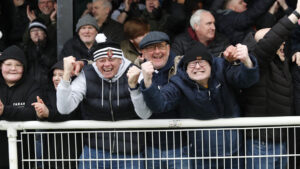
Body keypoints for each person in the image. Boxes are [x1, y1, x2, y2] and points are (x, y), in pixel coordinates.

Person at [133, 42, 259, 169]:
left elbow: (246, 80)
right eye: (192, 64)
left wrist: (247, 61)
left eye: (202, 62)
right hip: (201, 156)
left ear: (211, 64)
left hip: (235, 152)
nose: (197, 67)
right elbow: (160, 104)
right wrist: (148, 81)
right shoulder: (179, 83)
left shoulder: (222, 69)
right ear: (185, 69)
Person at [56, 35, 144, 169]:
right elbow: (64, 108)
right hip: (94, 152)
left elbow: (145, 113)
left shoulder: (135, 72)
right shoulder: (87, 74)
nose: (107, 64)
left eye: (112, 59)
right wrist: (66, 75)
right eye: (101, 60)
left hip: (130, 153)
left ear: (121, 60)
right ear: (95, 62)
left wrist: (134, 87)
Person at [241, 2, 300, 168]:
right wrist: (295, 14)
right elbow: (269, 44)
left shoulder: (284, 65)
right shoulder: (258, 64)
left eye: (283, 42)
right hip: (262, 143)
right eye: (278, 42)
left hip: (280, 141)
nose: (282, 44)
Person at [127, 31, 189, 169]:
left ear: (169, 48)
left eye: (161, 46)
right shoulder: (135, 70)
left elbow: (205, 59)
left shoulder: (183, 66)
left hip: (182, 145)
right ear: (142, 53)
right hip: (150, 147)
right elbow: (112, 64)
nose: (157, 52)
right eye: (150, 48)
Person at [32, 60, 81, 169]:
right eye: (54, 75)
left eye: (61, 75)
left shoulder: (77, 93)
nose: (56, 78)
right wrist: (40, 114)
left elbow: (69, 113)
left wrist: (48, 113)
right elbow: (43, 117)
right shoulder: (47, 94)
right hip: (51, 150)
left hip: (74, 148)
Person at [0, 45, 40, 169]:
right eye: (8, 64)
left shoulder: (33, 85)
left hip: (24, 154)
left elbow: (33, 112)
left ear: (24, 67)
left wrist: (4, 111)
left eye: (18, 65)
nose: (13, 68)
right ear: (1, 66)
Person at [23, 18, 57, 88]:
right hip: (30, 87)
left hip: (49, 87)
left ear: (45, 34)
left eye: (39, 30)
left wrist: (41, 48)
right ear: (30, 35)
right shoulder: (25, 49)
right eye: (32, 31)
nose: (35, 33)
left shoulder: (54, 47)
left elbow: (51, 64)